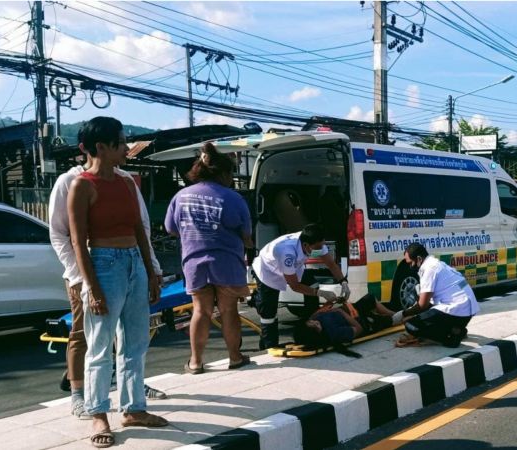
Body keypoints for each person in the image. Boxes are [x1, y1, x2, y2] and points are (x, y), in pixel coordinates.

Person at [48, 125, 166, 421]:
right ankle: (96, 412)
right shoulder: (77, 184)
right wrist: (87, 283)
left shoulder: (127, 182)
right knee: (96, 343)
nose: (127, 149)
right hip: (100, 265)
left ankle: (133, 408)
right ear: (101, 147)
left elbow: (141, 228)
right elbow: (71, 238)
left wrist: (152, 271)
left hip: (133, 263)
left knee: (134, 342)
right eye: (122, 144)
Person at [164, 142, 254, 373]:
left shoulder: (180, 196)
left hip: (193, 262)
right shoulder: (233, 198)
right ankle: (235, 357)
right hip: (227, 262)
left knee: (200, 311)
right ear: (224, 173)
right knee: (228, 311)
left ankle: (195, 362)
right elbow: (246, 235)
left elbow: (171, 229)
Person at [252, 223, 349, 349]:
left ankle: (309, 324)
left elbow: (331, 264)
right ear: (306, 245)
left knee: (312, 283)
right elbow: (295, 286)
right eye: (318, 247)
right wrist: (320, 293)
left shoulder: (315, 242)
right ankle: (269, 344)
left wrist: (343, 282)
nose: (321, 249)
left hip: (292, 269)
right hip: (268, 272)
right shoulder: (287, 252)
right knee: (269, 311)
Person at [393, 243, 479, 348]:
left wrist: (403, 314)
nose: (410, 266)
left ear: (419, 259)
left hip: (457, 310)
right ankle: (455, 328)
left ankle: (449, 337)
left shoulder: (429, 269)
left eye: (411, 263)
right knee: (419, 291)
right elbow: (427, 302)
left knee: (410, 325)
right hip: (466, 311)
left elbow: (422, 305)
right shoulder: (437, 263)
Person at [294, 293, 399, 350]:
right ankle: (401, 316)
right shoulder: (334, 332)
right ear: (315, 333)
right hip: (362, 322)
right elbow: (359, 329)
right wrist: (341, 312)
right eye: (313, 326)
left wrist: (334, 301)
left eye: (310, 322)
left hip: (353, 311)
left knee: (370, 298)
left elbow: (325, 310)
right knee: (391, 320)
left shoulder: (315, 318)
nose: (314, 322)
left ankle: (394, 313)